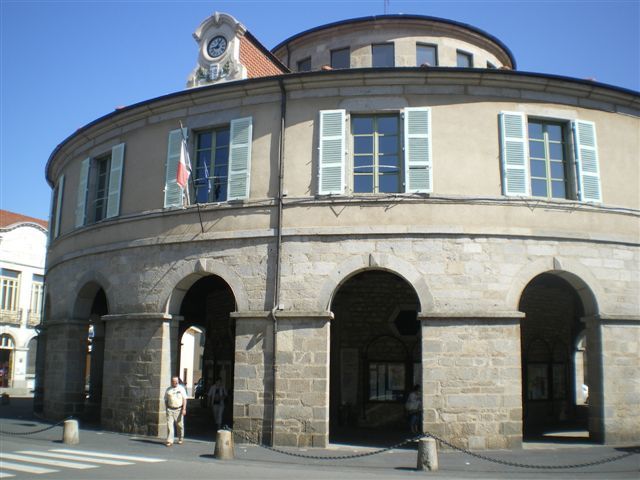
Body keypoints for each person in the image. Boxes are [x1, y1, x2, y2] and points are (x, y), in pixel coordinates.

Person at [164, 376, 187, 446]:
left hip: (179, 410)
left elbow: (184, 399)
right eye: (174, 381)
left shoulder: (181, 389)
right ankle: (170, 440)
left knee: (180, 425)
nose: (176, 382)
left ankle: (180, 438)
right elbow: (165, 399)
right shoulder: (168, 390)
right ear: (172, 382)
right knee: (169, 425)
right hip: (170, 409)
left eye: (177, 381)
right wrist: (167, 408)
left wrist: (184, 409)